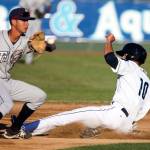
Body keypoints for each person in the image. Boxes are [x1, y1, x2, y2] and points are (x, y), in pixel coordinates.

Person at [19, 33, 150, 138]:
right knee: (92, 125)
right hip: (126, 125)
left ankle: (24, 128)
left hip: (114, 114)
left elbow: (110, 58)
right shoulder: (146, 80)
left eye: (124, 55)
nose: (122, 57)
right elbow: (143, 110)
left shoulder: (130, 66)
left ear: (129, 56)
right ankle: (96, 129)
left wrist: (109, 41)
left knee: (66, 117)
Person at [0, 7, 55, 139]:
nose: (27, 23)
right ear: (13, 22)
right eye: (23, 20)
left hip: (6, 81)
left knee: (39, 96)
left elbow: (49, 47)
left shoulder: (24, 43)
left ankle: (14, 129)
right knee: (6, 103)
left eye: (27, 20)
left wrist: (48, 45)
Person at [19, 0, 51, 64]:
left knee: (35, 39)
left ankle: (28, 59)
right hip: (27, 20)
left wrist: (43, 13)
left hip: (37, 20)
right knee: (26, 38)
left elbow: (48, 6)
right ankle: (22, 58)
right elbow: (21, 7)